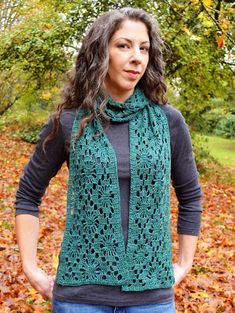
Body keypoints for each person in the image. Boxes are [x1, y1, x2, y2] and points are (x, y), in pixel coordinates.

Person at [15, 7, 202, 313]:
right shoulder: (70, 121)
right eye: (124, 46)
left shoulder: (168, 121)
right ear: (101, 52)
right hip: (80, 298)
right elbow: (28, 195)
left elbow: (191, 196)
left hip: (151, 299)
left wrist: (183, 264)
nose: (137, 57)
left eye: (144, 48)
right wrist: (31, 267)